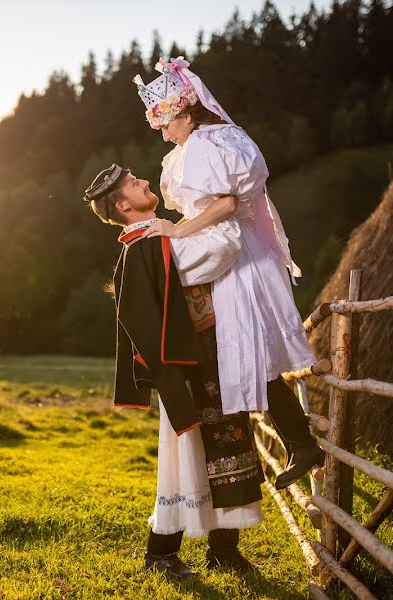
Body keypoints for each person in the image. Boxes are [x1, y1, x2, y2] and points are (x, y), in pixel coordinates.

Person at [134, 57, 323, 490]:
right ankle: (298, 441)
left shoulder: (205, 143)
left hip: (233, 254)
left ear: (182, 113)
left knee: (247, 350)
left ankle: (297, 441)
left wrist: (177, 229)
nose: (163, 134)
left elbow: (222, 204)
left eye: (165, 124)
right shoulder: (201, 144)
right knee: (248, 353)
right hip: (227, 250)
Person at [84, 163, 264, 578]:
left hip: (204, 358)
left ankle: (222, 551)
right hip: (188, 366)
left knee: (222, 447)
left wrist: (186, 223)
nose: (145, 182)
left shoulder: (155, 240)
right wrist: (220, 206)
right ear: (125, 204)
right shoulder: (152, 244)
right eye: (134, 183)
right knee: (190, 454)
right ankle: (160, 554)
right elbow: (225, 247)